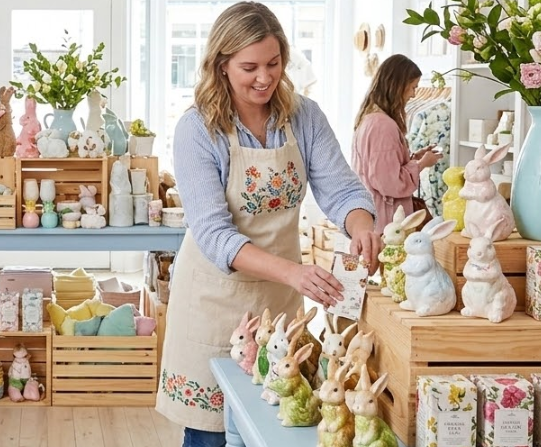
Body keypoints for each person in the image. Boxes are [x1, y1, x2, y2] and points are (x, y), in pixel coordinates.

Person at [156, 3, 381, 445]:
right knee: (211, 436)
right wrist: (294, 273)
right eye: (250, 67)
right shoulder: (197, 129)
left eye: (274, 63)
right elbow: (214, 234)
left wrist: (361, 228)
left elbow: (342, 191)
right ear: (221, 65)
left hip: (279, 304)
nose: (264, 78)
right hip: (213, 302)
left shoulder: (304, 116)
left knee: (275, 428)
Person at [352, 54, 442, 231]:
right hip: (386, 220)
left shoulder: (371, 119)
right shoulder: (382, 125)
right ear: (398, 85)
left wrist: (414, 158)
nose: (414, 94)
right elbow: (389, 182)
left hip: (375, 215)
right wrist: (422, 164)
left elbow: (382, 168)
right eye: (413, 87)